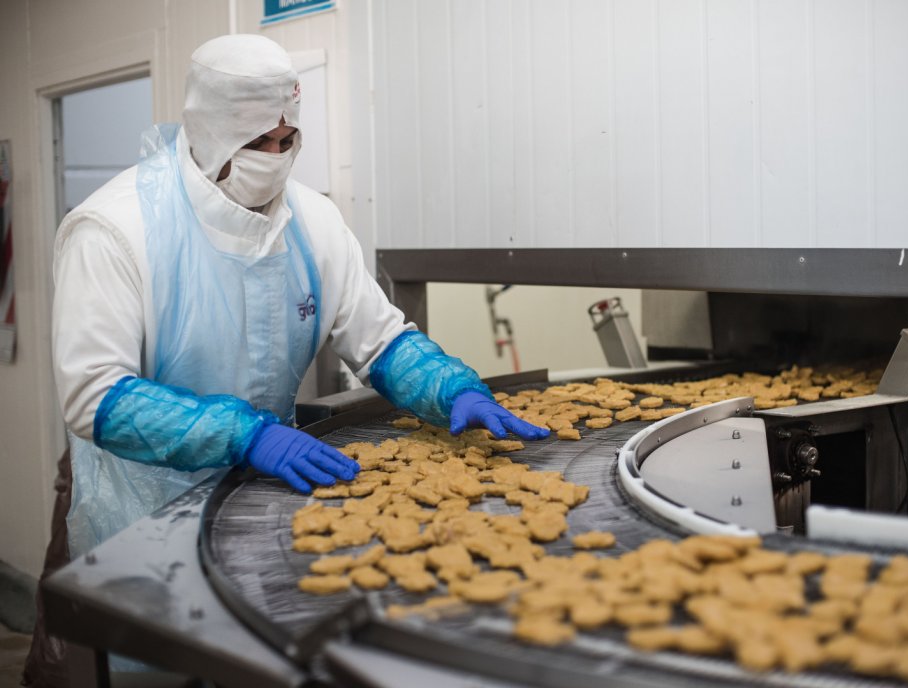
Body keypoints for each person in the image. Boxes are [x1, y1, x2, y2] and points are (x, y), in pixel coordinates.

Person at [24, 33, 547, 687]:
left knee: (248, 660)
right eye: (254, 144)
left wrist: (450, 390)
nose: (274, 160)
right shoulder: (115, 229)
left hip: (258, 502)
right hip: (137, 510)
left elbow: (378, 339)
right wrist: (242, 433)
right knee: (144, 669)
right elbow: (94, 395)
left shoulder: (313, 222)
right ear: (210, 132)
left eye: (285, 141)